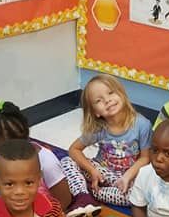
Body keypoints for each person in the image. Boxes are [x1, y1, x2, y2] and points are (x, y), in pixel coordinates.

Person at [0, 101, 83, 217]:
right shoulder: (3, 162)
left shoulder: (46, 161)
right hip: (17, 211)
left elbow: (63, 200)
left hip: (43, 215)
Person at [60, 74, 152, 208]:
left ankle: (93, 192)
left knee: (138, 196)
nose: (107, 100)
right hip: (101, 172)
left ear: (121, 94)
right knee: (66, 161)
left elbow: (145, 158)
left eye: (110, 93)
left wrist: (127, 177)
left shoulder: (142, 124)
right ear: (95, 112)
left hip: (129, 177)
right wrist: (92, 170)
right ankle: (83, 196)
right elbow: (74, 150)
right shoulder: (99, 128)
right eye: (99, 100)